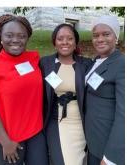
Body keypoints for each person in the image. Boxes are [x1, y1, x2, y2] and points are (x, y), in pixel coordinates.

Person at [0, 14, 47, 164]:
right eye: (9, 35)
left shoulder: (33, 58)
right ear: (0, 37)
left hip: (35, 131)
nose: (15, 40)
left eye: (22, 36)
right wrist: (5, 141)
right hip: (8, 136)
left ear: (27, 38)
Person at [39, 24, 93, 165]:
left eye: (70, 38)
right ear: (54, 42)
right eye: (60, 38)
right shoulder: (45, 63)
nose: (65, 42)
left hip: (81, 124)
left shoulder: (86, 64)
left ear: (75, 43)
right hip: (56, 121)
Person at [84, 15, 125, 164]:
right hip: (92, 141)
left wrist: (111, 157)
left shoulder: (122, 64)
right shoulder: (96, 61)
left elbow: (124, 114)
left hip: (106, 146)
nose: (100, 39)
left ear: (116, 37)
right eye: (96, 35)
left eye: (106, 34)